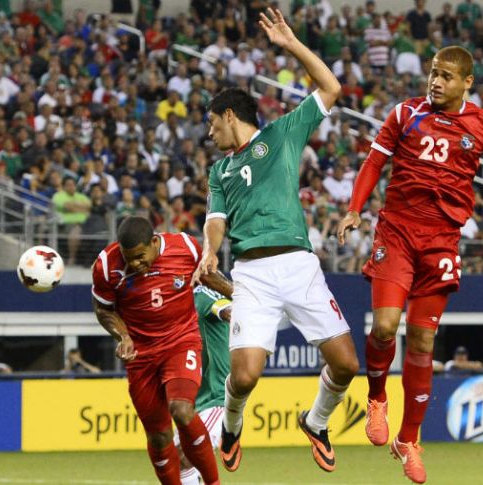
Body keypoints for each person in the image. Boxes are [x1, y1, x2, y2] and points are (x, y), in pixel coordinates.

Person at [337, 46, 483, 483]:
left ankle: (408, 439)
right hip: (396, 232)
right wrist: (355, 208)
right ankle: (377, 397)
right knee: (383, 327)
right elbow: (375, 161)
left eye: (447, 76)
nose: (436, 82)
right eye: (433, 73)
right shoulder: (404, 114)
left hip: (441, 243)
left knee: (421, 340)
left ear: (467, 82)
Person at [194, 8, 359, 474]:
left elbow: (331, 89)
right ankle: (231, 424)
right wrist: (209, 249)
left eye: (213, 123)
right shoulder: (220, 170)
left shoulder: (283, 134)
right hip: (251, 273)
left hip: (299, 267)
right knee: (244, 376)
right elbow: (216, 220)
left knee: (346, 365)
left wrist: (291, 46)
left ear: (230, 115)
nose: (210, 133)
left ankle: (316, 420)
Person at [91, 216, 231, 485]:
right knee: (159, 437)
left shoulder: (186, 248)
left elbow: (209, 276)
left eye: (140, 256)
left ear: (155, 242)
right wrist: (123, 336)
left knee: (181, 409)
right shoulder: (107, 265)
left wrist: (238, 294)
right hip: (141, 357)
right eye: (128, 257)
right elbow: (103, 310)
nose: (134, 264)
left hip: (180, 343)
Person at [175, 283, 234, 485]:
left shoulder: (203, 294)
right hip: (194, 400)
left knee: (184, 455)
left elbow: (224, 308)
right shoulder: (177, 302)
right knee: (178, 459)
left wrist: (234, 313)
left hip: (216, 398)